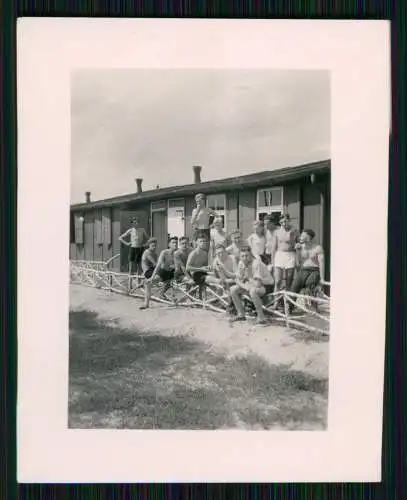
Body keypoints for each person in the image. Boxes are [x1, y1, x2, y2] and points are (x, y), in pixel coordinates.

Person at [229, 246, 274, 325]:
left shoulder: (256, 263)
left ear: (251, 255)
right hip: (251, 284)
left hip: (266, 286)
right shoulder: (241, 263)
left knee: (252, 291)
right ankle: (241, 315)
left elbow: (258, 284)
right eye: (242, 256)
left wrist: (246, 283)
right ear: (240, 256)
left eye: (247, 256)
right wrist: (245, 285)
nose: (245, 258)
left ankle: (261, 318)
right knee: (233, 289)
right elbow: (237, 279)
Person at [288, 229, 326, 313]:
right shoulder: (300, 247)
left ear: (308, 237)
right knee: (294, 286)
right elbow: (297, 264)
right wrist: (297, 251)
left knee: (310, 283)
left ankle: (313, 307)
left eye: (302, 236)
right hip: (303, 269)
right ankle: (289, 308)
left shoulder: (318, 248)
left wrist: (322, 278)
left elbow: (321, 263)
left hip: (314, 270)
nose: (300, 237)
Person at [270, 213, 300, 308]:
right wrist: (272, 261)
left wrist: (297, 260)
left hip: (290, 255)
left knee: (289, 280)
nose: (284, 224)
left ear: (289, 220)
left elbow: (298, 245)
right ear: (279, 222)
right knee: (278, 280)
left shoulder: (294, 230)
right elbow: (273, 247)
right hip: (279, 255)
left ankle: (287, 302)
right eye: (282, 222)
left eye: (285, 221)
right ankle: (275, 302)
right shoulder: (277, 232)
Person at [139, 238, 158, 310]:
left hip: (152, 270)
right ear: (149, 245)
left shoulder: (154, 253)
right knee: (149, 283)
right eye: (152, 245)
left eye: (155, 245)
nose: (154, 247)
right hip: (147, 271)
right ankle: (146, 303)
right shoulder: (147, 252)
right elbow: (155, 263)